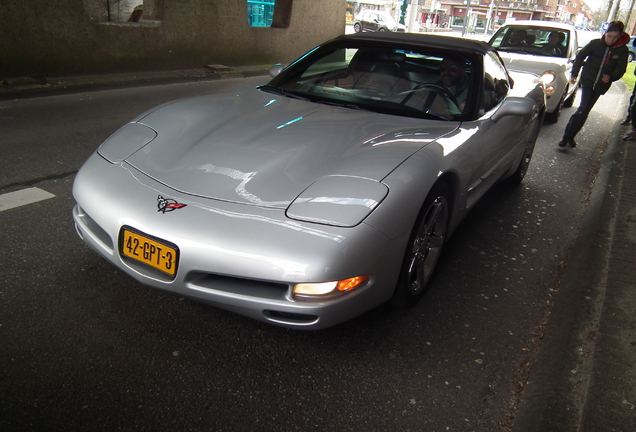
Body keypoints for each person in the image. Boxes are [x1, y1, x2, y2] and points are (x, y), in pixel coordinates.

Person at [558, 21, 630, 148]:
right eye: (609, 36)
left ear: (620, 37)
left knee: (586, 111)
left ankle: (571, 137)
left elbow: (621, 69)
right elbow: (580, 56)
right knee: (582, 108)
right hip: (588, 81)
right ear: (605, 34)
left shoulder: (622, 50)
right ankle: (565, 137)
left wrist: (611, 76)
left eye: (615, 38)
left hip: (601, 85)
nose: (611, 40)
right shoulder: (595, 44)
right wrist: (575, 73)